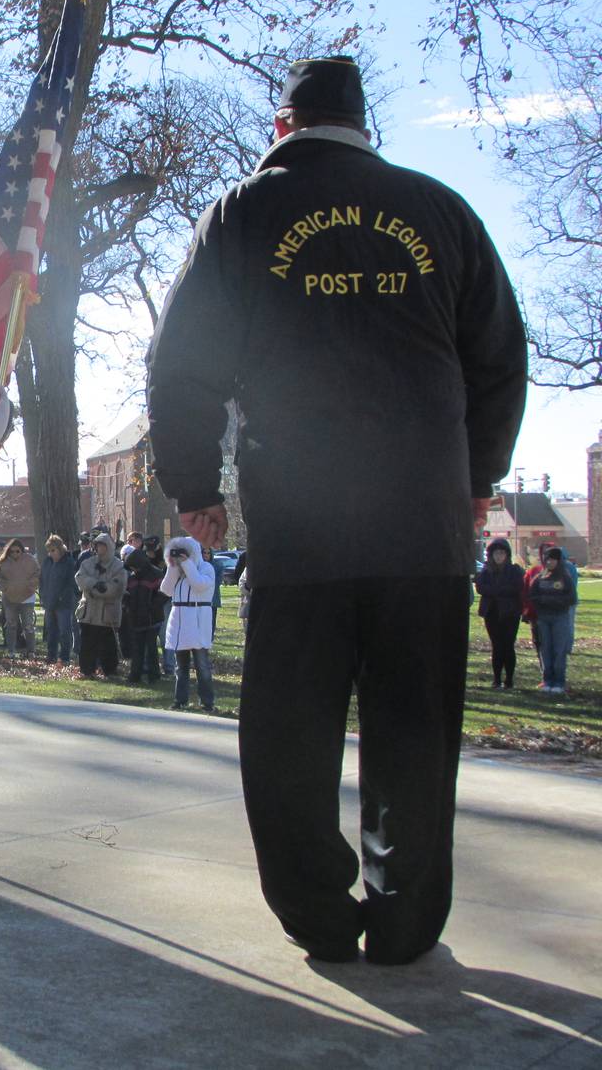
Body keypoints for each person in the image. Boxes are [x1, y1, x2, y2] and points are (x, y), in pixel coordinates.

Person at [146, 56, 527, 965]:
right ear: (366, 129)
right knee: (415, 732)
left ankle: (318, 913)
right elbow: (500, 357)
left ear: (283, 128)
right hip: (420, 523)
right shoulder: (442, 211)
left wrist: (196, 489)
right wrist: (479, 477)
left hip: (301, 524)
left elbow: (181, 361)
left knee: (289, 730)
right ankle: (404, 922)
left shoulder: (242, 212)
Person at [160, 537, 216, 711]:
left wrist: (187, 564)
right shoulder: (178, 573)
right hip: (180, 620)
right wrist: (173, 567)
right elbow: (166, 590)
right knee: (181, 666)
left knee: (202, 665)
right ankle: (180, 700)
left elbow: (199, 585)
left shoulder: (206, 568)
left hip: (198, 619)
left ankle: (207, 702)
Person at [526, 546, 578, 696]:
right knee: (545, 649)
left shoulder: (565, 578)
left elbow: (571, 598)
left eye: (552, 559)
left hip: (560, 618)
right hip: (543, 618)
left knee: (559, 650)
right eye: (547, 559)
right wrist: (542, 602)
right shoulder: (540, 578)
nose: (549, 562)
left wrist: (554, 601)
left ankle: (559, 682)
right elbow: (532, 596)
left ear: (558, 561)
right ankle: (547, 680)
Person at [474, 538, 524, 690]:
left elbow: (516, 587)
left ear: (507, 554)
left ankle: (509, 679)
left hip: (510, 613)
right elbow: (481, 587)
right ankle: (496, 679)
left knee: (508, 645)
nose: (499, 556)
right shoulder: (486, 571)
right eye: (496, 553)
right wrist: (498, 591)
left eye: (502, 553)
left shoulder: (515, 570)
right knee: (496, 645)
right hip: (492, 612)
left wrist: (497, 591)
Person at [73, 534, 125, 678]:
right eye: (97, 545)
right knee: (87, 643)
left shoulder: (118, 565)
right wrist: (95, 584)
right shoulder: (87, 563)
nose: (100, 548)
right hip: (88, 611)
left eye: (103, 545)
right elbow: (79, 578)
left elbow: (117, 587)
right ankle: (87, 670)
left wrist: (100, 589)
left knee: (108, 645)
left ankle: (110, 670)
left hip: (107, 612)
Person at [121, 540, 165, 683]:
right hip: (135, 617)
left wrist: (152, 607)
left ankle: (154, 674)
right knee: (137, 648)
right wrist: (127, 606)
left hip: (152, 618)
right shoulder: (132, 578)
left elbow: (163, 595)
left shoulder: (156, 574)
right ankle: (135, 674)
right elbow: (127, 595)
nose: (134, 570)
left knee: (151, 648)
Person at [0, 539, 40, 656]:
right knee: (11, 625)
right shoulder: (2, 562)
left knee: (28, 625)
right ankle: (11, 650)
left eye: (17, 551)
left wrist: (30, 586)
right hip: (9, 598)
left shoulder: (30, 560)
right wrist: (6, 588)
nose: (15, 554)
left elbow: (37, 573)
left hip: (27, 598)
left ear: (21, 550)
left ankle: (31, 651)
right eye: (12, 551)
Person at [39, 534, 79, 664]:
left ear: (60, 549)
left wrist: (62, 597)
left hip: (64, 603)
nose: (51, 554)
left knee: (64, 631)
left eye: (53, 550)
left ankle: (65, 657)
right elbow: (42, 580)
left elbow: (71, 583)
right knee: (51, 631)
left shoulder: (69, 562)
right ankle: (51, 656)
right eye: (49, 551)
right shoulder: (47, 562)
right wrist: (43, 596)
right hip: (49, 602)